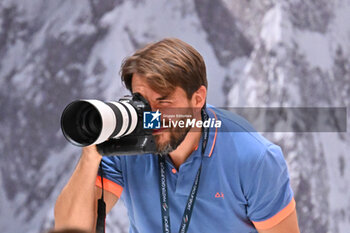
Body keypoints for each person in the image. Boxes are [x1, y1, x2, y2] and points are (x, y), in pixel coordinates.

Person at [54, 38, 300, 233]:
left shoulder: (254, 159)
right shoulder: (127, 146)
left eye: (164, 100)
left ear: (198, 99)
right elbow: (70, 227)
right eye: (142, 102)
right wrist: (91, 154)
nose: (152, 115)